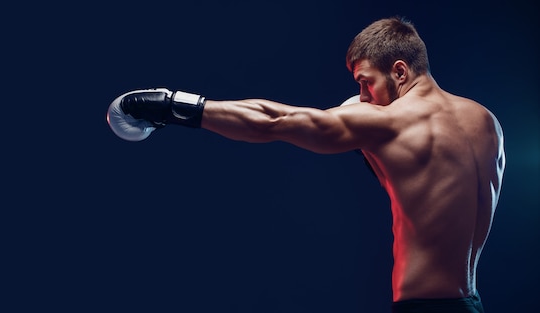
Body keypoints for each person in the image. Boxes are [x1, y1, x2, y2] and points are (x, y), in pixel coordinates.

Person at [108, 17, 505, 313]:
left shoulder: (390, 123)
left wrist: (172, 106)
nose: (363, 96)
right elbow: (429, 192)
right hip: (471, 302)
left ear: (399, 71)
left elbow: (275, 121)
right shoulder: (486, 121)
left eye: (366, 82)